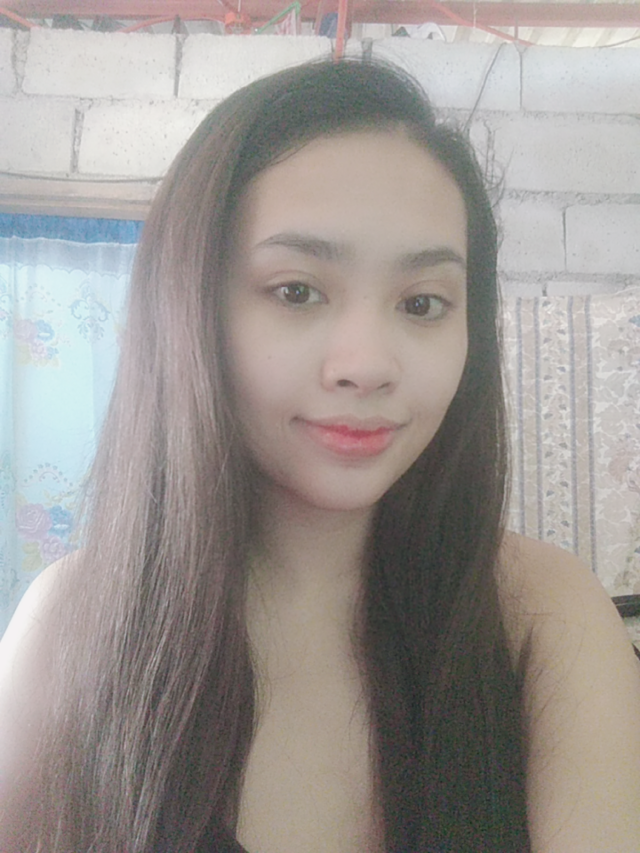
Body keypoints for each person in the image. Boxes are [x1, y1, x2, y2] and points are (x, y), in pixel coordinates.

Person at [1, 57, 639, 853]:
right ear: (190, 308)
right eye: (297, 290)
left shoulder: (541, 616)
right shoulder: (73, 624)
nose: (367, 364)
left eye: (422, 303)